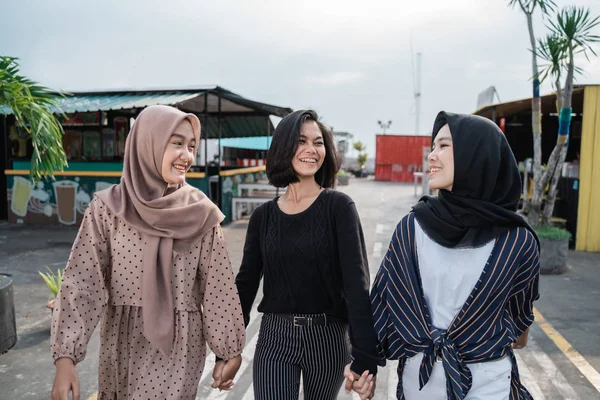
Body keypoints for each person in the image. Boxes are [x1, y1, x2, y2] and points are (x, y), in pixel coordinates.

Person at [50, 105, 246, 400]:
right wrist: (65, 358)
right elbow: (82, 282)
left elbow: (218, 290)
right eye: (177, 143)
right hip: (121, 343)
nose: (187, 156)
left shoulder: (201, 213)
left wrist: (228, 351)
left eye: (192, 146)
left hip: (179, 347)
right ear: (147, 142)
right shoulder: (108, 209)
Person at [369, 111, 541, 399]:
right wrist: (364, 364)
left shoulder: (518, 241)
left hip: (488, 386)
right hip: (419, 385)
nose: (432, 156)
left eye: (444, 146)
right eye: (433, 146)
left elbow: (520, 313)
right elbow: (383, 302)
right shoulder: (410, 228)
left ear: (477, 154)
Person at [234, 109, 382, 400]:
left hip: (327, 337)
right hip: (275, 337)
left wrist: (366, 360)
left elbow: (357, 285)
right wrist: (228, 350)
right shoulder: (263, 217)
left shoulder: (339, 208)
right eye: (301, 141)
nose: (311, 150)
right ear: (283, 147)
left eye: (318, 142)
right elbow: (245, 286)